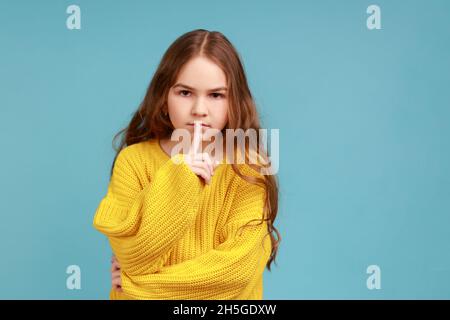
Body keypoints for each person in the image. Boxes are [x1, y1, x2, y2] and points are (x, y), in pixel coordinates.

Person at [92, 29, 281, 300]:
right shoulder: (134, 162)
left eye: (216, 95)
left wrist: (138, 287)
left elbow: (234, 275)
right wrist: (177, 178)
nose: (199, 109)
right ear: (164, 97)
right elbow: (136, 257)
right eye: (185, 93)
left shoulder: (248, 170)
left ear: (235, 102)